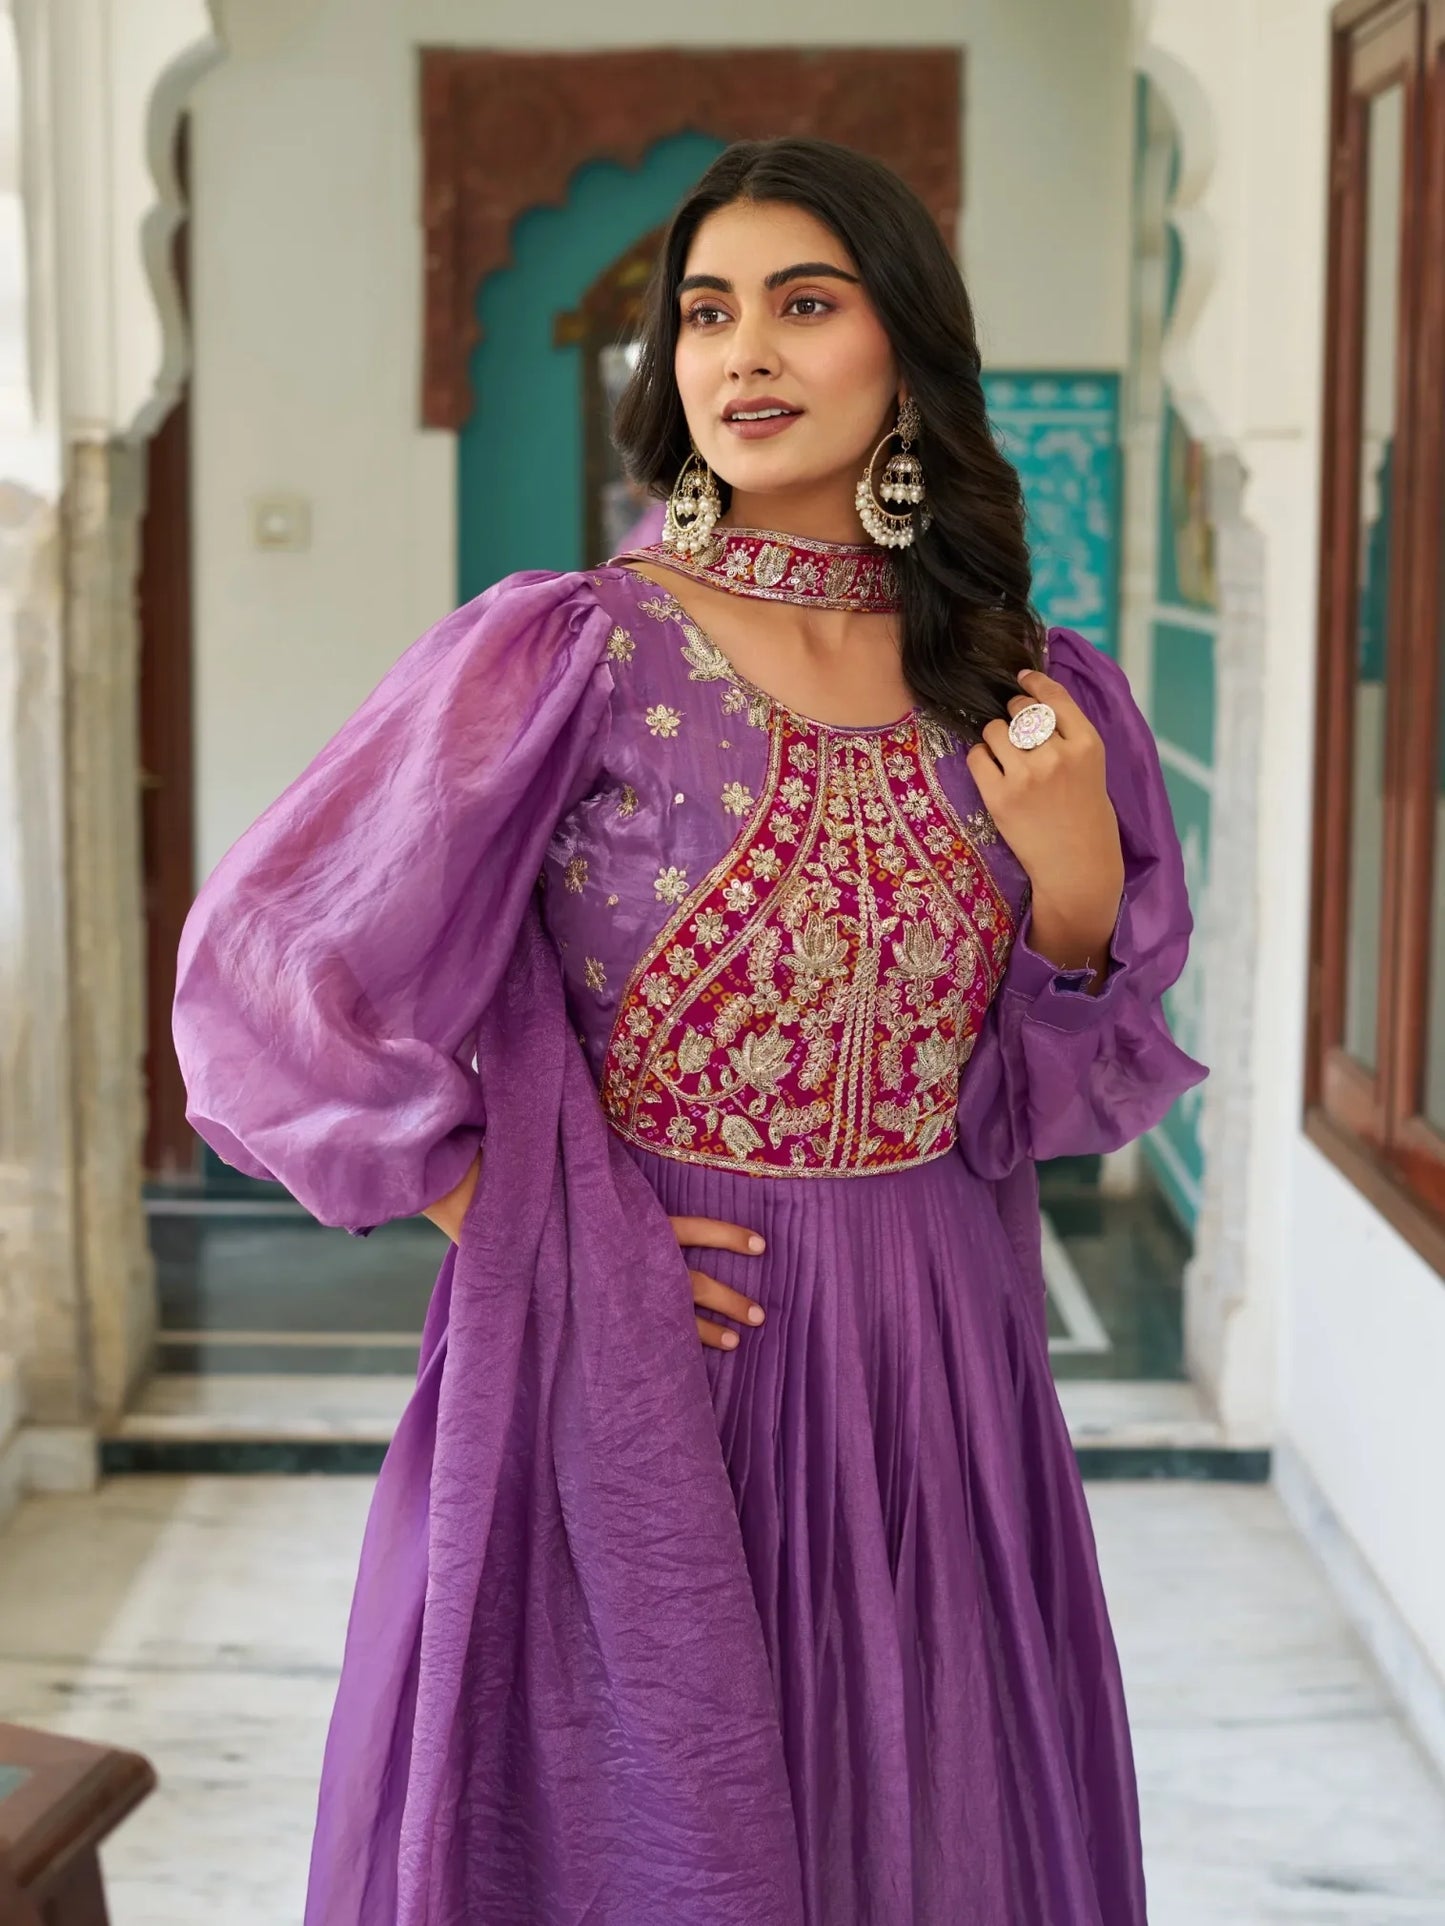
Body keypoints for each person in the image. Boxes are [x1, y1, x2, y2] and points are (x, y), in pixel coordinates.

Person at [174, 136, 1205, 1926]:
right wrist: (520, 1223)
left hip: (935, 1370)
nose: (740, 356)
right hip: (651, 1365)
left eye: (805, 305)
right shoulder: (570, 654)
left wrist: (1069, 889)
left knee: (915, 1835)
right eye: (705, 313)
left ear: (907, 355)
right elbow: (263, 975)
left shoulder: (1028, 691)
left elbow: (1064, 1093)